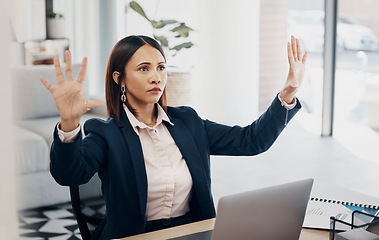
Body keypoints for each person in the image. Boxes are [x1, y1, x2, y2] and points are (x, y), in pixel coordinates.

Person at [40, 35, 307, 239]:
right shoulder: (106, 132)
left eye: (161, 68)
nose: (156, 77)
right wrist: (69, 122)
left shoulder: (188, 122)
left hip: (193, 232)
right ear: (119, 79)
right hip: (137, 236)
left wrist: (288, 94)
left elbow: (251, 141)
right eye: (143, 69)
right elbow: (69, 175)